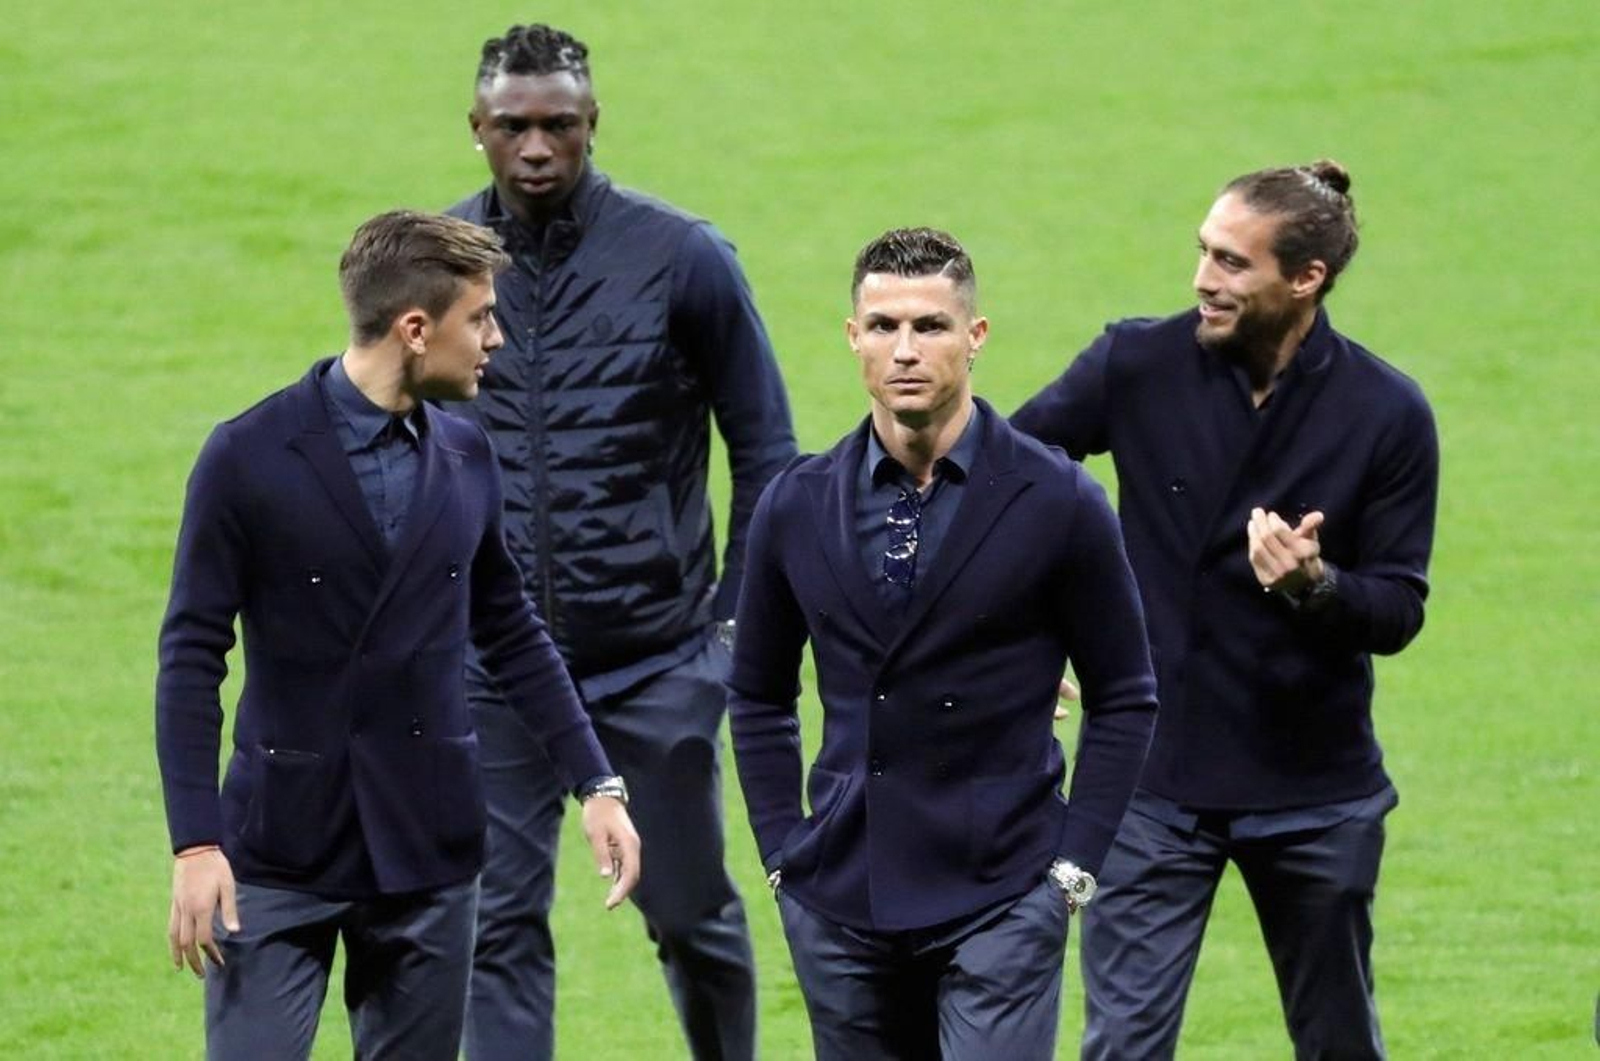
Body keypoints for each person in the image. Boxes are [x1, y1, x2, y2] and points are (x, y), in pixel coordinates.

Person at [156, 210, 641, 1060]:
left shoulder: (466, 452)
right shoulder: (248, 456)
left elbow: (510, 627)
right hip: (278, 853)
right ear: (415, 329)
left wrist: (595, 779)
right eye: (481, 317)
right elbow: (192, 657)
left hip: (427, 847)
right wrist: (196, 841)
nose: (497, 337)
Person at [1013, 160, 1439, 1060]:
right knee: (1122, 1045)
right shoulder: (1135, 364)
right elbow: (1010, 475)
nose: (1204, 279)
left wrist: (1313, 586)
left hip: (1314, 794)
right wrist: (1036, 628)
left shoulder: (1386, 412)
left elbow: (1399, 608)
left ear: (1305, 279)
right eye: (1203, 252)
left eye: (1233, 264)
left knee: (1339, 1045)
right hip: (1153, 782)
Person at [442, 23, 797, 1061]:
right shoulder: (440, 268)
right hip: (491, 671)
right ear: (477, 130)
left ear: (594, 123)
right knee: (494, 927)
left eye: (559, 124)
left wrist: (730, 634)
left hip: (652, 665)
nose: (538, 147)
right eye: (514, 127)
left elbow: (768, 451)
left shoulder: (681, 257)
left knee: (691, 920)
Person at [728, 228, 1158, 1059]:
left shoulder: (1057, 499)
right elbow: (756, 691)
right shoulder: (795, 503)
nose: (905, 350)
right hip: (842, 895)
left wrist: (1070, 874)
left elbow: (1126, 692)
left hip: (1003, 892)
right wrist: (784, 853)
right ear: (852, 336)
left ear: (976, 336)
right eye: (883, 326)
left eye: (930, 326)